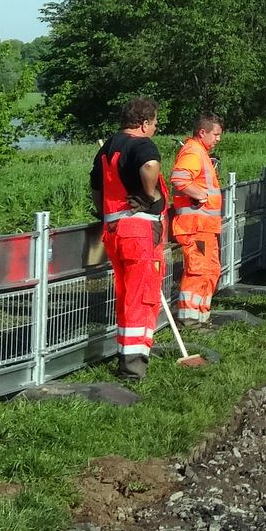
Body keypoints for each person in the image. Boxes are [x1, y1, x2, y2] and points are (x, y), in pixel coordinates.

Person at [91, 97, 167, 380]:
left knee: (125, 296)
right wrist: (151, 195)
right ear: (145, 122)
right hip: (139, 231)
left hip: (113, 231)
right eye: (155, 124)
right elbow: (149, 165)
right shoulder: (142, 144)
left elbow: (95, 188)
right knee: (142, 297)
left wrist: (105, 214)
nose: (155, 129)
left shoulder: (108, 147)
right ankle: (134, 366)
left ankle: (127, 353)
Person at [169, 114, 225, 324]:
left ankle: (200, 317)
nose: (218, 139)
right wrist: (200, 195)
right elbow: (179, 179)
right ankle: (190, 320)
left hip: (205, 228)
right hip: (196, 227)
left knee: (209, 270)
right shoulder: (194, 152)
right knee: (198, 270)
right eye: (216, 134)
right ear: (203, 132)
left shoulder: (199, 152)